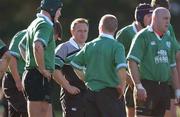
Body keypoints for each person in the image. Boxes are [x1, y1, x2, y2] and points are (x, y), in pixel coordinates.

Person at [71, 14, 127, 117]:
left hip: (90, 93)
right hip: (110, 93)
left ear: (100, 27)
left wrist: (86, 78)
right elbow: (121, 68)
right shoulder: (117, 46)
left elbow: (75, 63)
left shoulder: (89, 45)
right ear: (115, 28)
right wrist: (121, 86)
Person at [127, 7, 180, 117]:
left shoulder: (168, 38)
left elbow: (173, 67)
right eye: (165, 18)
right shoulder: (142, 36)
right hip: (147, 86)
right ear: (155, 19)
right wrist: (138, 86)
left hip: (163, 88)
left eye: (169, 19)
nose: (168, 22)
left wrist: (178, 92)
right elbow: (132, 61)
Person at [21, 0, 63, 117]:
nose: (59, 14)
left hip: (36, 76)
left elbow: (22, 45)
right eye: (59, 11)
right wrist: (42, 69)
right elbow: (38, 45)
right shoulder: (46, 24)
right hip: (38, 77)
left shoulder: (35, 22)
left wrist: (34, 65)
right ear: (52, 10)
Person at [116, 3, 153, 117]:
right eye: (148, 16)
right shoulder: (125, 33)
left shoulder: (151, 33)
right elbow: (116, 59)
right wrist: (129, 79)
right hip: (131, 82)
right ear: (140, 17)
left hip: (148, 81)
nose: (152, 20)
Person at [54, 18, 89, 117]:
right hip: (71, 95)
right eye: (79, 31)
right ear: (72, 31)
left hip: (88, 95)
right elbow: (54, 70)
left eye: (85, 31)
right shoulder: (64, 48)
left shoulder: (89, 48)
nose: (83, 34)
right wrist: (68, 87)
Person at [151, 0, 180, 117]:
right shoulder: (144, 32)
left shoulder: (169, 28)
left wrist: (177, 86)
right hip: (149, 81)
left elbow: (176, 55)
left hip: (167, 79)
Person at [2, 30, 28, 117]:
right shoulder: (23, 35)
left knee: (15, 114)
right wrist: (17, 81)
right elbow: (10, 57)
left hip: (26, 81)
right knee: (27, 111)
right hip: (15, 81)